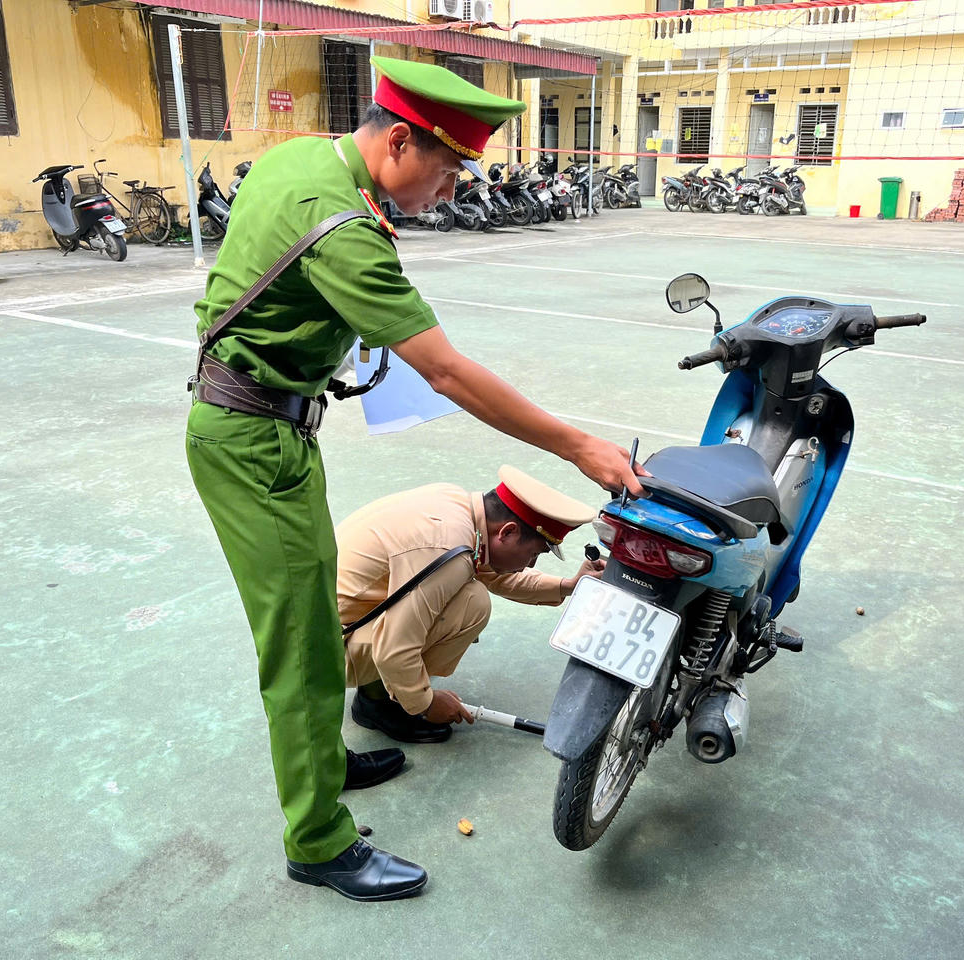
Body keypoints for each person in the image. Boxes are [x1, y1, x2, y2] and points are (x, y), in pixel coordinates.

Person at [184, 55, 646, 904]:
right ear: (399, 141)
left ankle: (322, 767)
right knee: (303, 649)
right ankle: (318, 840)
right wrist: (578, 446)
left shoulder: (300, 160)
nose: (453, 189)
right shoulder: (346, 228)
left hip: (263, 427)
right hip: (254, 440)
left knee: (314, 619)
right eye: (448, 168)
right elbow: (448, 374)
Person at [340, 466, 605, 743]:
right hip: (323, 656)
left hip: (326, 627)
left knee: (468, 593)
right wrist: (426, 704)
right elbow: (395, 648)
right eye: (534, 553)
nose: (531, 564)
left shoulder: (457, 509)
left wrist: (568, 585)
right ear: (507, 532)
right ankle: (380, 702)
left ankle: (382, 690)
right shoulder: (448, 551)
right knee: (472, 604)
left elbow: (494, 574)